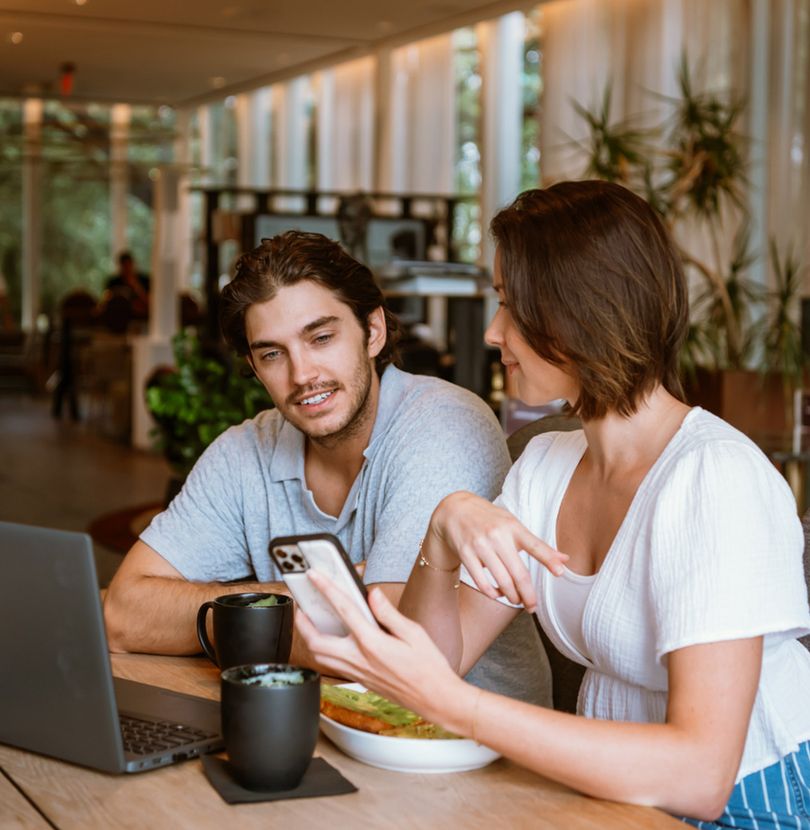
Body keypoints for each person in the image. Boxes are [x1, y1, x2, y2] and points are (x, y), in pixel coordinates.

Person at [297, 181, 810, 829]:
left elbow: (702, 775)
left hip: (752, 798)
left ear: (578, 312)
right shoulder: (546, 466)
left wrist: (460, 707)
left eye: (510, 306)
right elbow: (439, 664)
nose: (491, 332)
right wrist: (440, 540)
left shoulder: (713, 476)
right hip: (611, 795)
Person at [104, 230, 551, 707]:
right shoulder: (246, 451)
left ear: (373, 331)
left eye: (321, 337)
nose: (302, 375)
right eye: (273, 354)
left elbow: (391, 648)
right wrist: (322, 594)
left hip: (471, 752)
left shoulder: (443, 425)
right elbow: (124, 613)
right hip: (322, 727)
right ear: (255, 368)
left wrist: (223, 611)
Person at [105, 251, 150, 317]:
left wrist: (136, 286)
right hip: (120, 317)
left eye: (129, 265)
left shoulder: (144, 280)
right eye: (124, 266)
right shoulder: (113, 282)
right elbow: (106, 302)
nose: (127, 269)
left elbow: (150, 302)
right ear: (120, 266)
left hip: (140, 316)